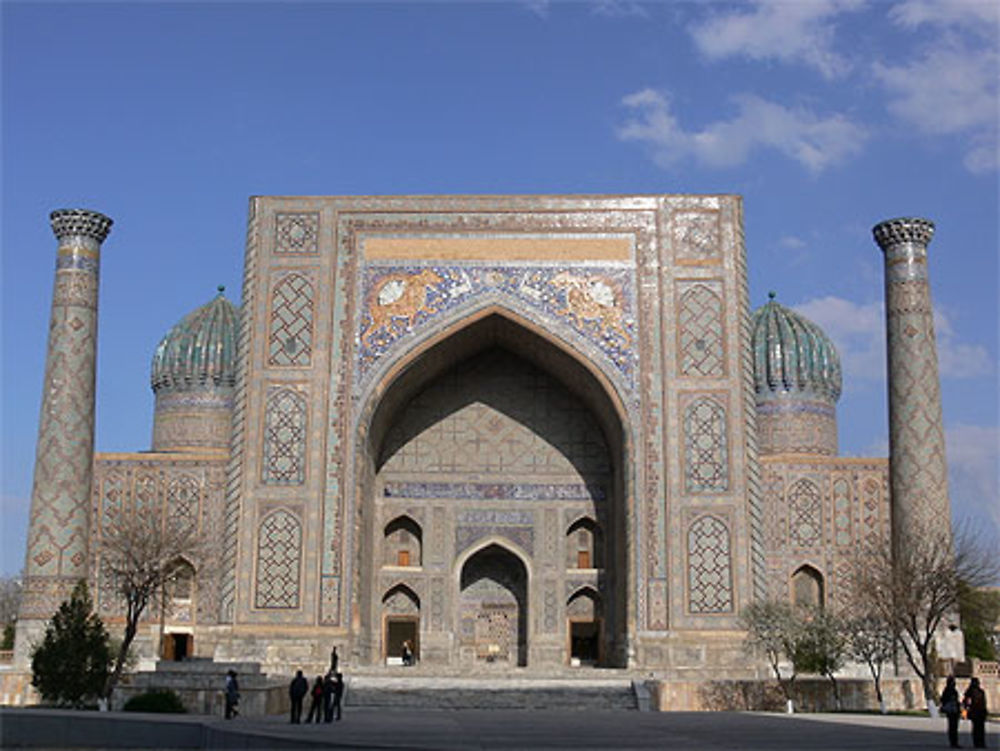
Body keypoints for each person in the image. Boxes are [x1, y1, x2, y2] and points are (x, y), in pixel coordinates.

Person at [963, 677, 988, 749]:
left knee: (977, 728)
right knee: (979, 728)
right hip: (978, 711)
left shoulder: (972, 692)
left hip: (976, 711)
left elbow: (966, 702)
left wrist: (967, 708)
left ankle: (978, 742)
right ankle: (980, 742)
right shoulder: (977, 692)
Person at [941, 676, 961, 748]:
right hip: (952, 710)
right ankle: (953, 742)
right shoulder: (949, 690)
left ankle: (954, 742)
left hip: (953, 710)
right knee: (953, 727)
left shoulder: (950, 690)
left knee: (953, 727)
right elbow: (943, 699)